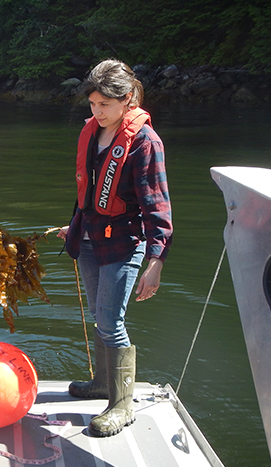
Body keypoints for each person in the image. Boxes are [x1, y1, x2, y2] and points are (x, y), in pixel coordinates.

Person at [57, 59, 173, 437]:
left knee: (111, 322)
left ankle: (122, 406)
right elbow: (88, 193)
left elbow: (157, 205)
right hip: (90, 239)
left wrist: (156, 261)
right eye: (92, 104)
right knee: (99, 315)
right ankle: (103, 382)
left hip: (125, 243)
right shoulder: (93, 132)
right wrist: (74, 227)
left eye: (104, 105)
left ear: (126, 100)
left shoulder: (144, 141)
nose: (97, 112)